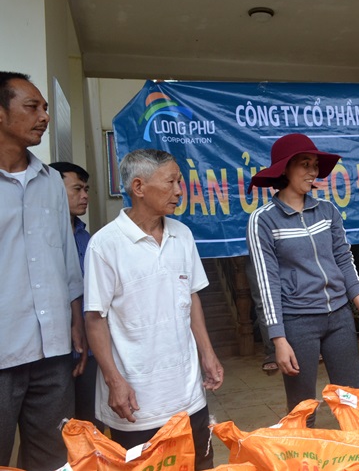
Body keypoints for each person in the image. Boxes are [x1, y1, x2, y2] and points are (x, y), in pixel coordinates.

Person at [84, 149, 223, 469]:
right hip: (137, 401)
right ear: (139, 187)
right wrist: (114, 381)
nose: (179, 191)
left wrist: (207, 353)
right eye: (171, 182)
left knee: (200, 464)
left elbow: (191, 298)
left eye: (180, 182)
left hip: (188, 395)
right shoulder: (105, 245)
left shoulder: (182, 235)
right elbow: (95, 319)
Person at [247, 133, 359, 426]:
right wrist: (278, 339)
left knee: (352, 402)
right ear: (285, 169)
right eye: (304, 164)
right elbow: (267, 283)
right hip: (297, 323)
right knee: (302, 410)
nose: (313, 172)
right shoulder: (263, 220)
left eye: (315, 165)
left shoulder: (327, 211)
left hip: (340, 317)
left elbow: (344, 260)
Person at [0, 72, 86, 470]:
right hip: (4, 348)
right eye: (32, 107)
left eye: (46, 108)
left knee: (53, 458)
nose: (44, 117)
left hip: (52, 352)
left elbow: (66, 260)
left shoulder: (52, 181)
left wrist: (76, 323)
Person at [50, 161, 104, 429]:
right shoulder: (44, 240)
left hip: (91, 348)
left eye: (86, 189)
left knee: (90, 423)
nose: (84, 196)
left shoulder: (89, 239)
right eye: (77, 189)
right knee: (57, 427)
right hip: (54, 351)